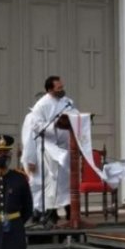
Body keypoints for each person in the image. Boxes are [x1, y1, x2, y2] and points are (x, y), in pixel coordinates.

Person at [22, 76, 77, 224]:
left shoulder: (67, 102)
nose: (62, 90)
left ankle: (70, 212)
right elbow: (33, 132)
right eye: (59, 88)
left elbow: (75, 115)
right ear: (49, 89)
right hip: (48, 149)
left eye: (62, 87)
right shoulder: (41, 106)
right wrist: (30, 159)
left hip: (66, 148)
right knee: (49, 184)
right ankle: (47, 213)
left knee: (65, 183)